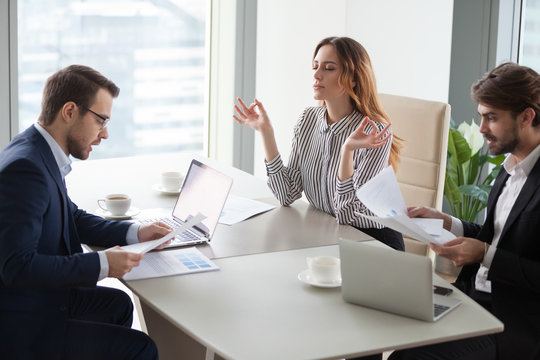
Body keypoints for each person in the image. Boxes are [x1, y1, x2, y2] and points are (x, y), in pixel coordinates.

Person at [0, 65, 172, 359]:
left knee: (119, 305)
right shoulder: (26, 168)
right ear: (69, 111)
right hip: (23, 325)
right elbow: (16, 267)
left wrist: (136, 231)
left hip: (37, 302)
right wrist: (101, 264)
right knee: (142, 348)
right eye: (100, 120)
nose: (104, 134)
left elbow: (72, 217)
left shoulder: (37, 149)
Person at [390, 62, 540, 360]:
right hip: (473, 299)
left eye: (491, 118)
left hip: (512, 323)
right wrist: (449, 223)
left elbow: (497, 253)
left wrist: (484, 254)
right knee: (386, 321)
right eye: (481, 117)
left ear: (527, 117)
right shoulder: (510, 168)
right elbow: (497, 237)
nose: (482, 128)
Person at [233, 36, 404, 250]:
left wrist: (347, 151)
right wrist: (266, 133)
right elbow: (286, 194)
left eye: (329, 68)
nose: (316, 74)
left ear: (353, 78)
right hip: (330, 235)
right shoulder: (308, 119)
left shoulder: (374, 133)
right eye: (315, 67)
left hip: (373, 242)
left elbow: (348, 214)